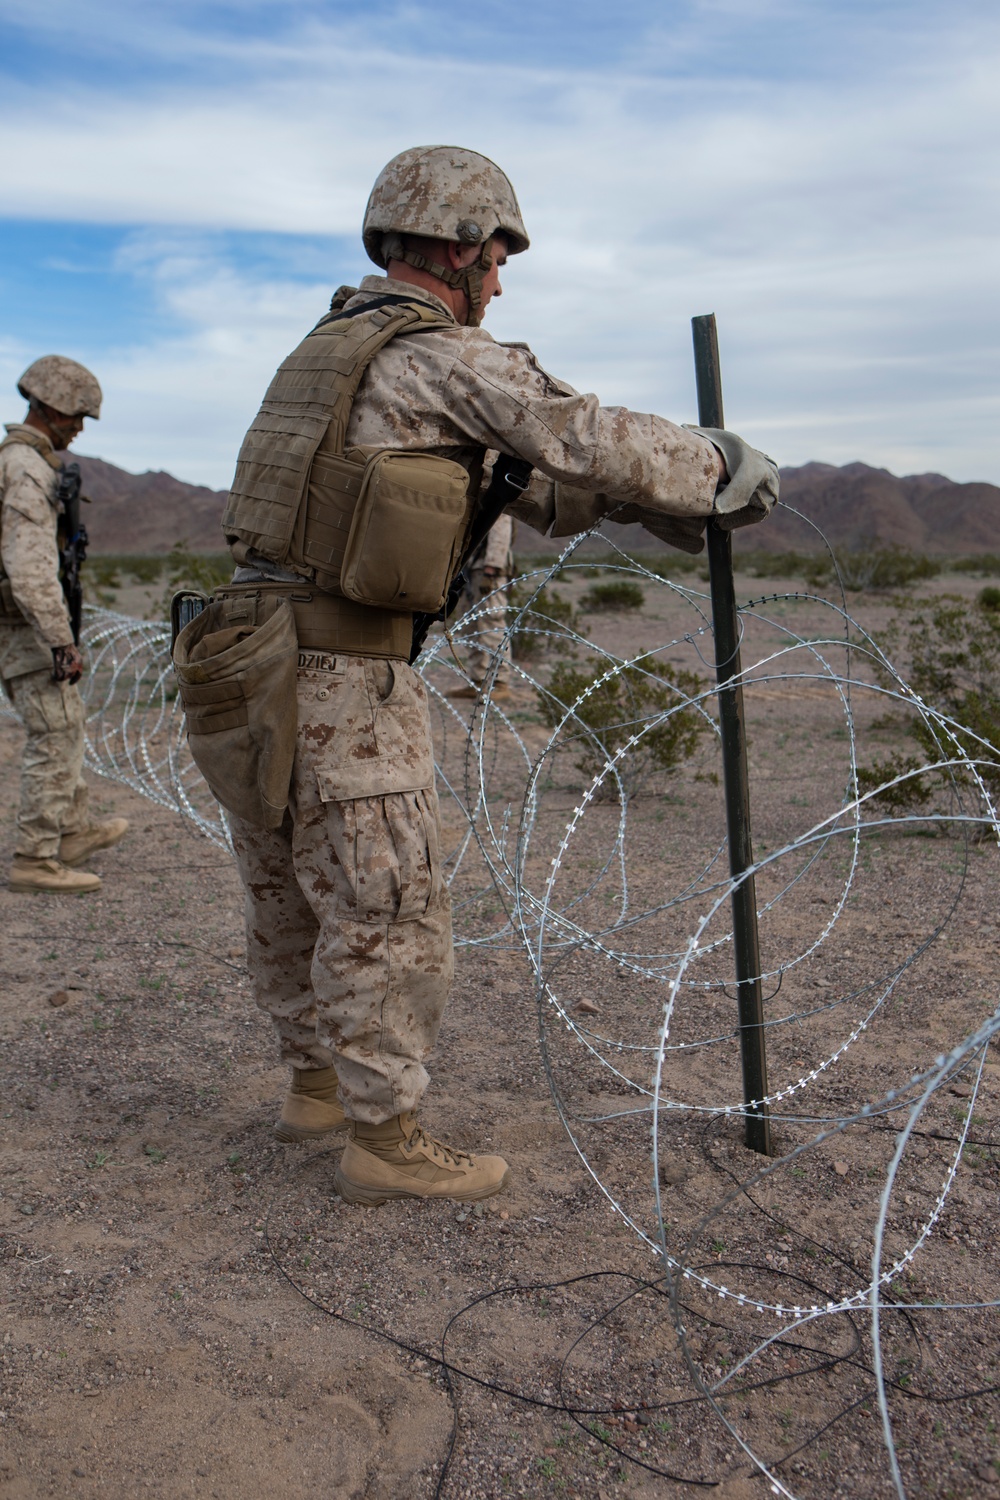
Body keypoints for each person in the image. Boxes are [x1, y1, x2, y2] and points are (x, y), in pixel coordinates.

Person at [213, 145, 778, 1205]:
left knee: (291, 889)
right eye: (499, 255)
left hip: (252, 660)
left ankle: (314, 1089)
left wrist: (625, 510)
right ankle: (384, 1143)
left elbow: (484, 482)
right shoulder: (436, 354)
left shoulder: (329, 352)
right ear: (454, 247)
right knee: (387, 902)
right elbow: (582, 433)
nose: (502, 281)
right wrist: (720, 469)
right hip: (343, 672)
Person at [0, 357, 128, 894]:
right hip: (24, 626)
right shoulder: (26, 470)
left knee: (66, 722)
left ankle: (69, 831)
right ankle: (35, 858)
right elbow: (29, 569)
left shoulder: (31, 462)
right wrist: (60, 640)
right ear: (49, 406)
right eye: (77, 416)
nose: (79, 427)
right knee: (54, 733)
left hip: (24, 623)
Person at [447, 511, 517, 702]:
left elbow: (500, 533)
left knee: (491, 623)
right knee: (471, 626)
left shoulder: (498, 499)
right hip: (470, 569)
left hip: (488, 573)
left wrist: (491, 570)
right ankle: (477, 681)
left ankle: (500, 682)